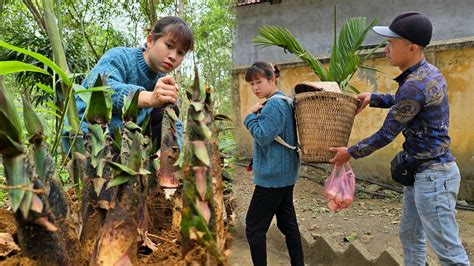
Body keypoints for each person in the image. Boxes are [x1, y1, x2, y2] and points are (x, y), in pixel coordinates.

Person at [330, 12, 470, 265]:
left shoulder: (414, 84)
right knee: (410, 236)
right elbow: (406, 103)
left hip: (433, 178)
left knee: (450, 254)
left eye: (391, 43)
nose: (386, 49)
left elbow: (386, 134)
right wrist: (374, 97)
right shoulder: (427, 73)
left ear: (412, 47)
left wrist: (349, 152)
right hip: (421, 174)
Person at [64, 16, 194, 154]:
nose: (173, 56)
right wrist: (150, 98)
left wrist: (173, 151)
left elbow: (175, 124)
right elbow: (102, 90)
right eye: (169, 46)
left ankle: (148, 166)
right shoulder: (119, 56)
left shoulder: (163, 82)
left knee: (169, 108)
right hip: (86, 137)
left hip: (124, 146)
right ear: (150, 41)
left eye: (180, 53)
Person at [243, 61, 304, 266]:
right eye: (251, 84)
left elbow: (263, 136)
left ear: (272, 79)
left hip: (272, 177)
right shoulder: (284, 100)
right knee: (288, 224)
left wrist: (249, 117)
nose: (255, 88)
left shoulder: (274, 104)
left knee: (254, 227)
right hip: (285, 173)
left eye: (259, 82)